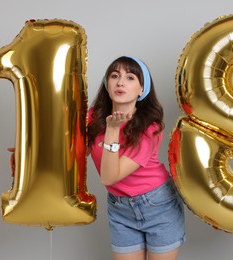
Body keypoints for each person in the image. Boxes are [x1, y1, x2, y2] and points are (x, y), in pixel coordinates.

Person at [88, 56, 186, 260]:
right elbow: (66, 146)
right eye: (114, 76)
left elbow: (108, 177)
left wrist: (113, 130)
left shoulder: (150, 128)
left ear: (142, 89)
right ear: (107, 85)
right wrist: (25, 153)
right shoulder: (93, 118)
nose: (120, 82)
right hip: (120, 208)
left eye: (130, 77)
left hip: (158, 205)